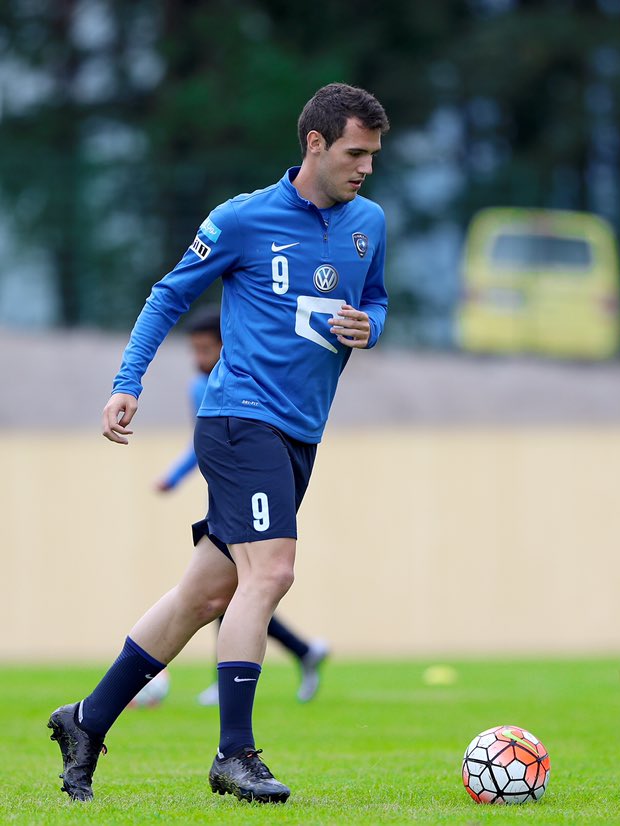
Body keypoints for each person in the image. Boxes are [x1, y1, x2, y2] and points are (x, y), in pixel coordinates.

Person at [47, 82, 390, 804]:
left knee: (208, 592)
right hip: (240, 419)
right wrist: (127, 380)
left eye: (374, 156)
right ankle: (234, 754)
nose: (366, 168)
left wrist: (372, 327)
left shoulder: (369, 223)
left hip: (302, 431)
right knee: (272, 572)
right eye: (355, 153)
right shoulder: (243, 219)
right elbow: (169, 293)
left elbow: (377, 297)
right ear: (315, 144)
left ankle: (87, 719)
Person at [154, 308, 329, 707]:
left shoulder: (247, 381)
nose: (199, 358)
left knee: (240, 585)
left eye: (206, 348)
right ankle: (299, 652)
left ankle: (238, 675)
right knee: (232, 586)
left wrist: (174, 475)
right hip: (227, 483)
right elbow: (200, 441)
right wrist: (178, 475)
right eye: (194, 350)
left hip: (242, 484)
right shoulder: (202, 386)